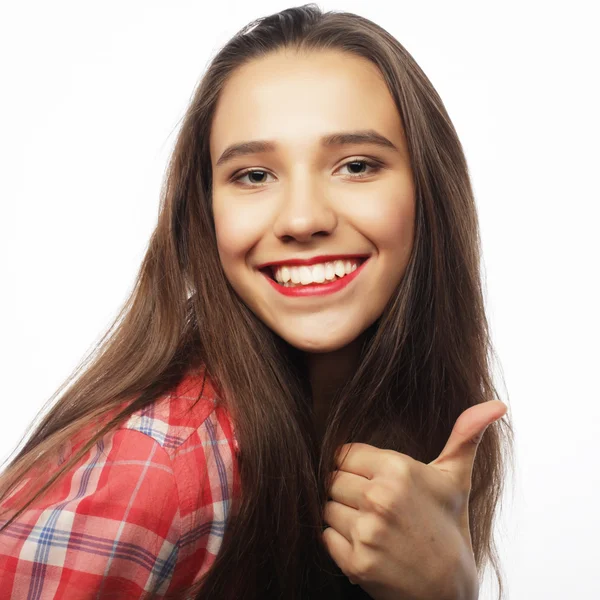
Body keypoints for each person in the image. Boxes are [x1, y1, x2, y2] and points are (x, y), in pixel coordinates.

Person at [0, 4, 514, 599]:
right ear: (206, 212)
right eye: (252, 175)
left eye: (355, 165)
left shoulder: (415, 437)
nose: (301, 219)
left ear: (429, 193)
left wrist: (444, 585)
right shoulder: (155, 466)